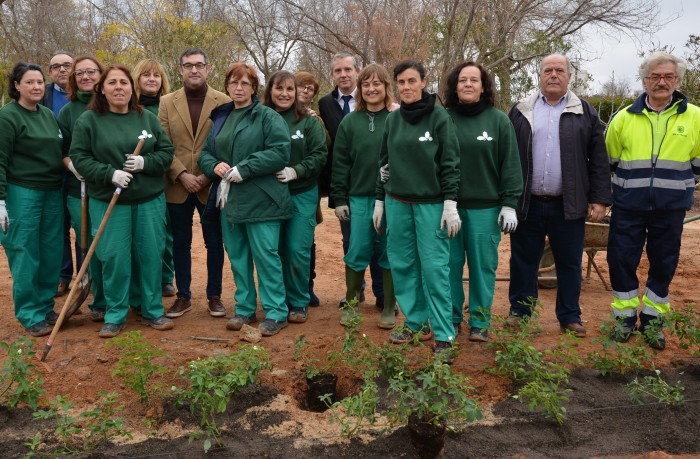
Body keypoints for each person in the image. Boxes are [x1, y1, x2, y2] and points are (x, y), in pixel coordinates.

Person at [507, 54, 611, 337]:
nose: (553, 75)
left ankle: (569, 316)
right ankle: (521, 312)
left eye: (559, 70)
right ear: (539, 76)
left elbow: (599, 159)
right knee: (522, 261)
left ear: (569, 76)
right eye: (548, 70)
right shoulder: (521, 110)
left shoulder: (585, 112)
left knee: (568, 263)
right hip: (527, 203)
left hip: (569, 204)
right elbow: (506, 156)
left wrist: (600, 199)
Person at [70, 65, 175, 338]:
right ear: (102, 89)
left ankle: (151, 309)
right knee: (114, 257)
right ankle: (116, 313)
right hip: (109, 201)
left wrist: (144, 162)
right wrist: (109, 174)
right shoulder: (89, 121)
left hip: (149, 200)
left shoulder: (147, 119)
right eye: (113, 83)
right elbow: (80, 158)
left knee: (150, 255)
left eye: (124, 82)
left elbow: (166, 152)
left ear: (132, 87)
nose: (119, 87)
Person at [606, 51, 700, 350]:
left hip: (669, 209)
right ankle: (624, 318)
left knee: (664, 263)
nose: (662, 82)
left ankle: (652, 322)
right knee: (621, 260)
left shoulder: (695, 117)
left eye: (668, 76)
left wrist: (680, 186)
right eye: (655, 76)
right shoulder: (624, 118)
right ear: (645, 80)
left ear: (677, 80)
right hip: (628, 205)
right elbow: (609, 160)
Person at [373, 60, 461, 357]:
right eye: (401, 82)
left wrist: (450, 202)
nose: (406, 87)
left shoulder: (438, 117)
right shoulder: (393, 120)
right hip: (398, 203)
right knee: (402, 264)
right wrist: (379, 198)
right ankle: (415, 321)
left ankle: (444, 333)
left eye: (412, 81)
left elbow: (450, 161)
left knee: (435, 268)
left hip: (431, 205)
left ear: (424, 82)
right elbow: (383, 163)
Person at [198, 62, 293, 337]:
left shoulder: (266, 116)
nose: (238, 88)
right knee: (238, 256)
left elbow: (280, 152)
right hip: (230, 201)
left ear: (254, 88)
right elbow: (205, 153)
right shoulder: (221, 117)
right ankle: (245, 308)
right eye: (233, 82)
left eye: (245, 83)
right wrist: (213, 165)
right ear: (227, 86)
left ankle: (276, 312)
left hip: (262, 199)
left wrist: (246, 168)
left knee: (266, 257)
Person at [443, 61, 523, 342]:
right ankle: (451, 319)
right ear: (454, 85)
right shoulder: (443, 118)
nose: (467, 84)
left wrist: (509, 202)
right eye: (462, 80)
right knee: (449, 267)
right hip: (447, 208)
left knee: (482, 268)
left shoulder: (498, 120)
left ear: (483, 86)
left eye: (473, 80)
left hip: (485, 210)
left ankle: (479, 321)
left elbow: (511, 164)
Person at [159, 49, 230, 319]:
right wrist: (181, 174)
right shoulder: (167, 102)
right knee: (180, 243)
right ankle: (183, 296)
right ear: (180, 69)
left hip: (210, 184)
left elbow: (226, 142)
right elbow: (162, 143)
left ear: (208, 68)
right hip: (177, 184)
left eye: (199, 65)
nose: (194, 70)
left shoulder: (223, 101)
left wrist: (206, 175)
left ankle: (214, 296)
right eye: (188, 65)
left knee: (214, 242)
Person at [0, 62, 64, 337]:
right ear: (16, 86)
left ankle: (46, 305)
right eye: (29, 82)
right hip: (20, 192)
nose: (37, 86)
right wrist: (0, 199)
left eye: (39, 81)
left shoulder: (48, 115)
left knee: (50, 251)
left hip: (51, 191)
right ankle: (29, 312)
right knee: (25, 251)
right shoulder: (8, 117)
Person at [331, 63, 397, 329]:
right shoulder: (350, 121)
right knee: (357, 248)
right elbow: (340, 163)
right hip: (359, 197)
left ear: (385, 87)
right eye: (367, 84)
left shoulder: (396, 118)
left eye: (377, 84)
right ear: (361, 88)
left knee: (388, 251)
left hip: (392, 199)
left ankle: (390, 306)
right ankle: (351, 303)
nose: (372, 89)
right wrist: (339, 199)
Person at [262, 70, 327, 324]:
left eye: (290, 89)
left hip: (302, 192)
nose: (285, 94)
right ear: (270, 90)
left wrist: (296, 171)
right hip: (268, 194)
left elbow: (319, 154)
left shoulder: (308, 121)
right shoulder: (261, 118)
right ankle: (277, 300)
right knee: (273, 249)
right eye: (279, 88)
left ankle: (298, 300)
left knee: (297, 249)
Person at [319, 52, 383, 308]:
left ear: (357, 71)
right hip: (344, 183)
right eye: (338, 71)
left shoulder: (374, 98)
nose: (343, 75)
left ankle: (383, 294)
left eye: (348, 69)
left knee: (380, 242)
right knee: (351, 241)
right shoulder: (325, 103)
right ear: (332, 74)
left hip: (377, 183)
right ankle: (356, 291)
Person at [57, 56, 106, 320]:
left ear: (101, 74)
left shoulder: (110, 104)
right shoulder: (68, 110)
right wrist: (72, 166)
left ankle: (116, 296)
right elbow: (62, 151)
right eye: (80, 73)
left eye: (91, 72)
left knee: (108, 243)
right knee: (86, 243)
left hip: (108, 188)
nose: (85, 77)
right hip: (79, 191)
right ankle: (97, 300)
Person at [132, 58, 176, 298]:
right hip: (142, 181)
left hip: (169, 177)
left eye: (156, 75)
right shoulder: (131, 108)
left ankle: (165, 277)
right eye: (146, 75)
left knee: (165, 231)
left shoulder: (168, 105)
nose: (151, 79)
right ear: (137, 79)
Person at [40, 51, 75, 298]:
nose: (62, 70)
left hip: (85, 173)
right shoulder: (43, 95)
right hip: (54, 174)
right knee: (58, 229)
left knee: (86, 227)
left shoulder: (91, 94)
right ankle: (63, 276)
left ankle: (90, 277)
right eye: (56, 66)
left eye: (67, 65)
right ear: (50, 72)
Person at [295, 70, 326, 307]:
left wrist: (316, 121)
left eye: (310, 88)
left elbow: (325, 146)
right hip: (276, 188)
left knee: (305, 241)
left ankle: (308, 286)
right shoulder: (274, 114)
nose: (305, 91)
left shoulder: (314, 119)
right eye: (301, 86)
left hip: (307, 187)